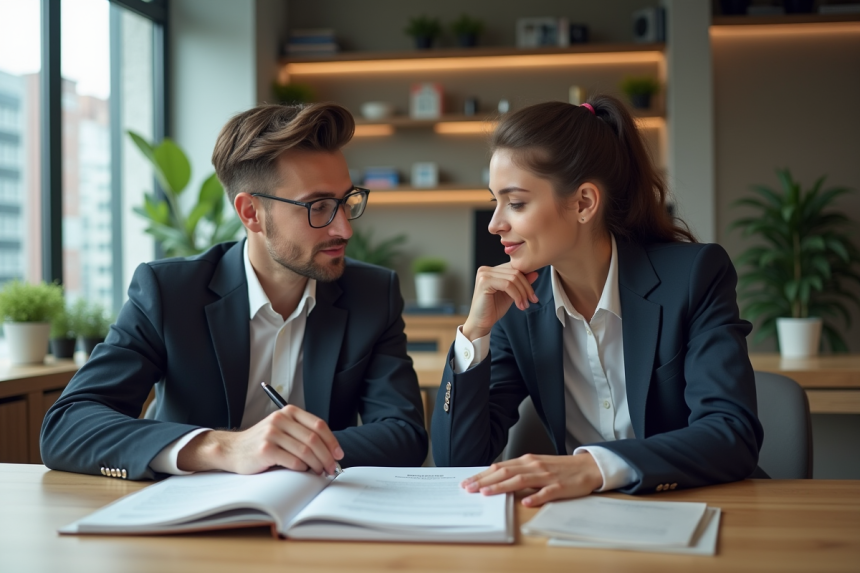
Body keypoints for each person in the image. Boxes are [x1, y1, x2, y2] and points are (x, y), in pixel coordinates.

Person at [41, 103, 427, 480]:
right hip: (184, 519)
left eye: (345, 202)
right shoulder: (170, 293)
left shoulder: (373, 294)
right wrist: (223, 448)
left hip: (314, 518)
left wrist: (290, 454)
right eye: (318, 206)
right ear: (250, 213)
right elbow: (68, 425)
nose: (344, 229)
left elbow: (403, 433)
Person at [431, 96, 763, 506]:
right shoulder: (518, 308)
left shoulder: (694, 276)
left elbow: (731, 434)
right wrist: (474, 335)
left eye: (515, 203)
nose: (495, 223)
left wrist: (593, 467)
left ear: (584, 202)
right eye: (494, 201)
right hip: (580, 525)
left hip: (701, 507)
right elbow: (456, 461)